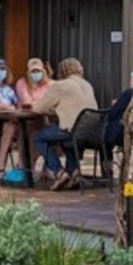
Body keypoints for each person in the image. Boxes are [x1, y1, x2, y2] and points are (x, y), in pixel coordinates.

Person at [31, 57, 98, 190]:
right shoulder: (87, 85)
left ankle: (58, 172)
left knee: (39, 137)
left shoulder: (60, 85)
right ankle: (74, 173)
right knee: (64, 136)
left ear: (62, 71)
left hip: (72, 132)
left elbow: (38, 109)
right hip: (92, 133)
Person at [100, 68, 133, 178]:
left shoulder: (129, 93)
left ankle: (107, 171)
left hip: (121, 132)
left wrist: (114, 106)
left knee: (103, 138)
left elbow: (113, 114)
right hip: (131, 131)